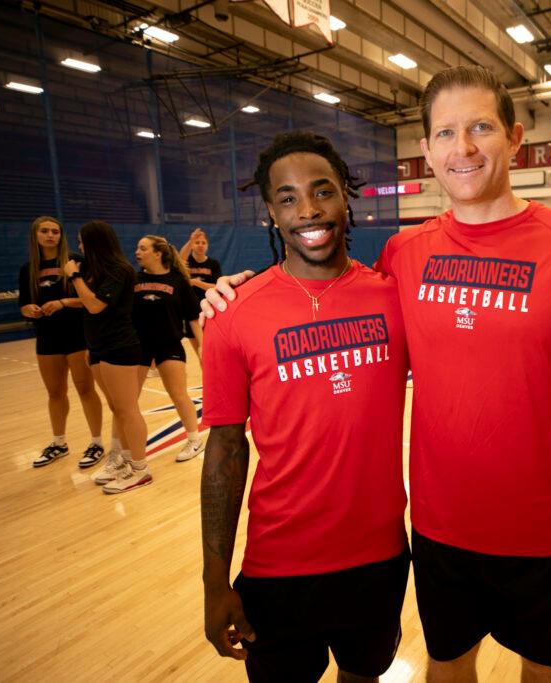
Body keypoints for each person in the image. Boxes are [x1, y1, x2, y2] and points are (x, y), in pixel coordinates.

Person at [204, 65, 551, 681]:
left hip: (549, 535)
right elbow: (325, 297)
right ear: (427, 151)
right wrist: (228, 294)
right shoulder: (403, 258)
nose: (462, 148)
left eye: (480, 128)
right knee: (446, 669)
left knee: (546, 677)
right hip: (438, 535)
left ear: (515, 138)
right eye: (445, 133)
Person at [200, 132, 410, 682]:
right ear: (271, 211)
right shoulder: (233, 312)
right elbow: (224, 448)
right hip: (279, 566)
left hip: (380, 559)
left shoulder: (394, 297)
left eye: (323, 192)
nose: (309, 210)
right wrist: (214, 581)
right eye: (288, 198)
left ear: (346, 198)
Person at [64, 221, 151, 494]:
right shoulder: (94, 269)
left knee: (128, 409)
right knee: (117, 408)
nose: (79, 246)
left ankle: (140, 470)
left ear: (94, 242)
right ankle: (125, 460)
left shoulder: (119, 270)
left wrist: (75, 277)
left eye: (82, 241)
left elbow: (94, 304)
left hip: (120, 346)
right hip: (98, 347)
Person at [20, 216, 105, 469]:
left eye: (55, 231)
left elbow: (92, 300)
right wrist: (29, 309)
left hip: (78, 335)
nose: (50, 235)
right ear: (35, 235)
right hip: (47, 337)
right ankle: (59, 443)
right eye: (44, 231)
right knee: (55, 392)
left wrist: (62, 303)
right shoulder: (28, 269)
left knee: (85, 388)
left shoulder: (76, 261)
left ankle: (97, 443)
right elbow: (23, 304)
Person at [133, 235, 205, 462]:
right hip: (139, 347)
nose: (137, 252)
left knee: (178, 394)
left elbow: (193, 318)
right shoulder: (134, 279)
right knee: (128, 401)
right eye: (137, 247)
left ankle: (194, 439)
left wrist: (203, 346)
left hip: (169, 344)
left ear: (157, 253)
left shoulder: (178, 281)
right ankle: (122, 451)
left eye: (142, 248)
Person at [178, 228, 222, 359]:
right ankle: (206, 378)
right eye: (197, 242)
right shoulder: (188, 262)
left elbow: (215, 286)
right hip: (191, 313)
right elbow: (181, 258)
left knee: (212, 352)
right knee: (201, 353)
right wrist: (190, 240)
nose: (201, 245)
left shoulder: (213, 264)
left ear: (207, 245)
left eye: (203, 242)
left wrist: (195, 282)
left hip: (209, 311)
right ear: (192, 245)